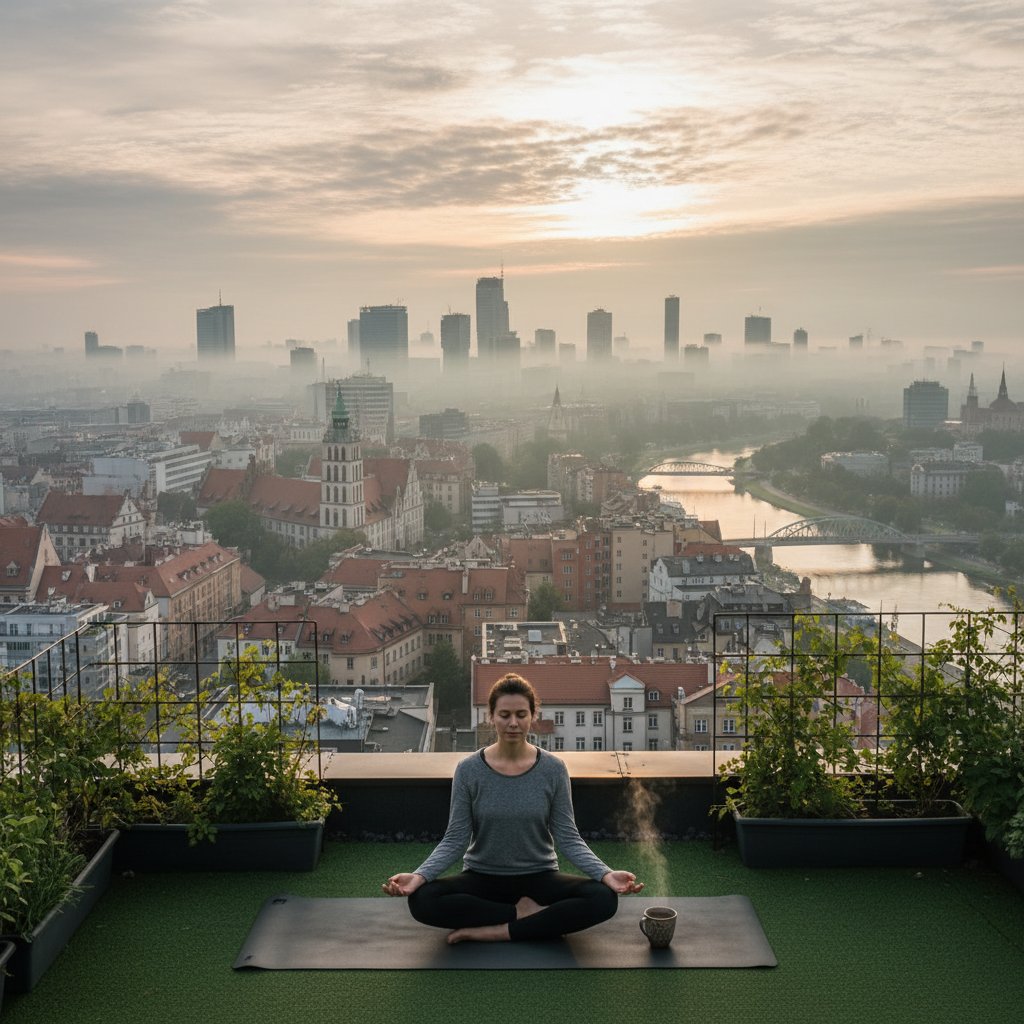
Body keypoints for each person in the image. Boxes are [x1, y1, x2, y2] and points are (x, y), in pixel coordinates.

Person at [383, 672, 643, 943]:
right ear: (491, 716)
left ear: (533, 715)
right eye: (504, 715)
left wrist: (605, 874)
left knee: (603, 898)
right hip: (482, 877)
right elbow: (455, 839)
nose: (513, 723)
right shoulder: (469, 770)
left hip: (540, 877)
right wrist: (419, 876)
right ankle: (523, 916)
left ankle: (498, 930)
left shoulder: (553, 769)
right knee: (422, 900)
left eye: (521, 714)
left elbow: (568, 838)